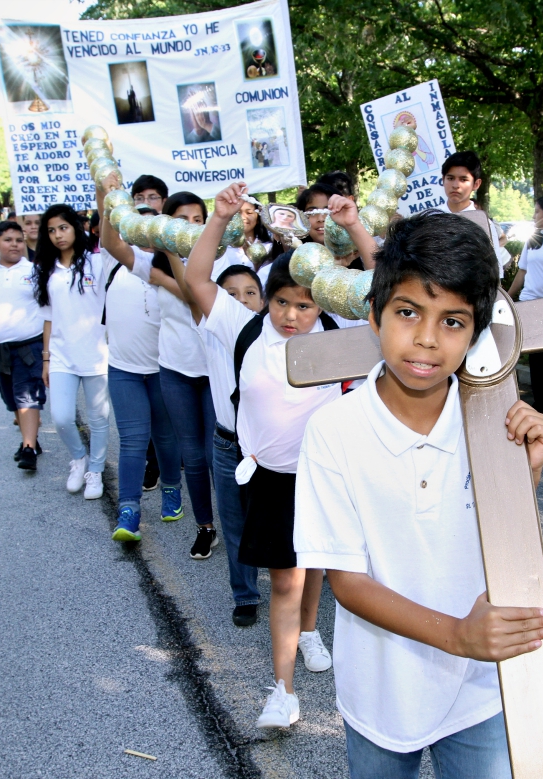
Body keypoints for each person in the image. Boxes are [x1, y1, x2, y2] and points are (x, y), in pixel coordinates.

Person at [293, 211, 543, 775]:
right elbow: (348, 581)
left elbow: (489, 532)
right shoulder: (334, 429)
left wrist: (524, 473)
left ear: (477, 332)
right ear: (375, 315)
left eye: (453, 322)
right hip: (382, 693)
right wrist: (457, 635)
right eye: (408, 312)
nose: (427, 339)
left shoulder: (493, 422)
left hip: (480, 690)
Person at [184, 182, 370, 728]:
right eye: (282, 301)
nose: (292, 315)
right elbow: (197, 279)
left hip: (329, 474)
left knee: (311, 564)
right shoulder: (246, 331)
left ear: (323, 303)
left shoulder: (343, 334)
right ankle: (283, 692)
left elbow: (390, 294)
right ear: (268, 297)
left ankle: (310, 630)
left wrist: (356, 226)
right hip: (270, 476)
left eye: (305, 305)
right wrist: (217, 220)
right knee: (285, 576)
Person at [167, 252, 265, 627]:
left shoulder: (274, 335)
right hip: (227, 445)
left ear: (264, 299)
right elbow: (194, 283)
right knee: (235, 523)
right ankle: (245, 594)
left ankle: (297, 589)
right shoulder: (211, 326)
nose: (241, 300)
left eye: (250, 292)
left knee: (282, 522)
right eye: (230, 294)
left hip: (272, 448)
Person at [95, 178, 184, 543]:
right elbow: (108, 234)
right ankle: (128, 510)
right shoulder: (113, 261)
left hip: (163, 371)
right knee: (132, 441)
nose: (142, 233)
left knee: (165, 438)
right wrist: (105, 190)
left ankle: (171, 490)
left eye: (150, 226)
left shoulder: (169, 269)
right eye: (136, 225)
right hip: (124, 371)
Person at [33, 205, 141, 498]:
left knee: (98, 418)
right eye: (52, 230)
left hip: (96, 354)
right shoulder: (45, 269)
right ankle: (79, 458)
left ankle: (95, 470)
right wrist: (45, 359)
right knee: (62, 417)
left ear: (76, 228)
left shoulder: (95, 262)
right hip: (61, 356)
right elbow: (48, 318)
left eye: (63, 228)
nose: (58, 235)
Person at [147, 192, 221, 559]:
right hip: (175, 368)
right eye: (180, 219)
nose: (190, 226)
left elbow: (195, 296)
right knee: (190, 455)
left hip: (214, 371)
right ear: (166, 223)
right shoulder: (153, 261)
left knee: (213, 454)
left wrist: (166, 269)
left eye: (197, 219)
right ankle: (205, 527)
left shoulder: (223, 259)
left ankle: (235, 525)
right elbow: (113, 243)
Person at [0, 221, 46, 470]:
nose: (15, 244)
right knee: (11, 399)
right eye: (8, 240)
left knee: (27, 397)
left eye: (19, 240)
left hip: (29, 348)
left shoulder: (35, 271)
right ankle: (30, 439)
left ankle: (28, 448)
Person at [507, 194, 543, 417]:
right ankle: (540, 403)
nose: (533, 217)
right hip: (529, 303)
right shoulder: (533, 238)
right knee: (535, 355)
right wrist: (508, 296)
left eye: (537, 212)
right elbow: (523, 271)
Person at [438, 151, 512, 275]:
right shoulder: (430, 218)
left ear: (476, 184)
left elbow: (495, 272)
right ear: (443, 180)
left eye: (463, 179)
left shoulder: (484, 224)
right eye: (450, 178)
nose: (456, 185)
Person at [224, 200, 273, 285]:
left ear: (258, 218)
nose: (243, 217)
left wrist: (257, 263)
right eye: (238, 212)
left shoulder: (269, 247)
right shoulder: (224, 248)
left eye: (249, 213)